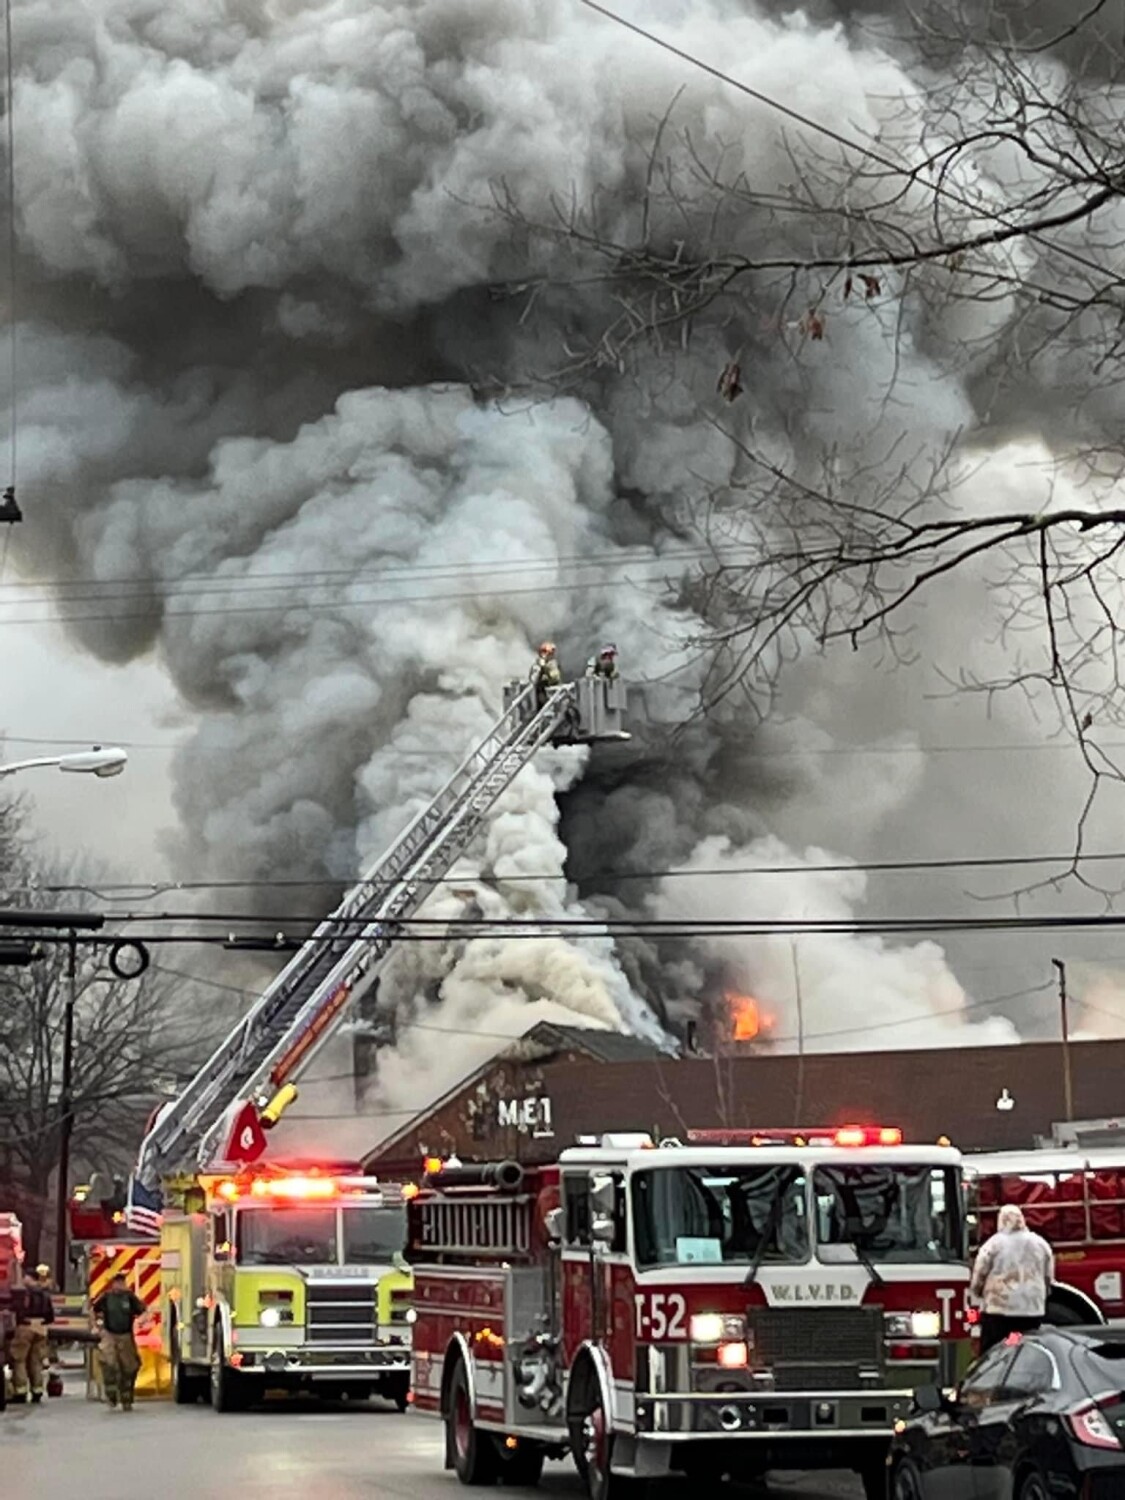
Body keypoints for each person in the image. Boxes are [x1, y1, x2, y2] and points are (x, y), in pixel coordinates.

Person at [970, 1204, 1054, 1352]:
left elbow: (980, 1272)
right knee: (1025, 1347)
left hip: (1000, 1309)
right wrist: (1043, 1295)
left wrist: (977, 1291)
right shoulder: (1041, 1244)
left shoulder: (994, 1244)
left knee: (995, 1349)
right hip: (1032, 1309)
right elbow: (1048, 1277)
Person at [92, 1272, 145, 1411]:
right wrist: (97, 1327)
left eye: (123, 1282)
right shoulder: (106, 1297)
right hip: (110, 1335)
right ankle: (111, 1396)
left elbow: (142, 1310)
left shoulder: (129, 1297)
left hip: (126, 1336)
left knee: (130, 1367)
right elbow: (93, 1309)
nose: (121, 1285)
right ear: (113, 1284)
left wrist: (143, 1320)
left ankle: (126, 1398)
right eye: (118, 1282)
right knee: (109, 1365)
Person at [9, 1268, 54, 1403]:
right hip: (41, 1328)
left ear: (30, 1278)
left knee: (19, 1359)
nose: (23, 1279)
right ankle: (37, 1391)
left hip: (25, 1327)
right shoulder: (45, 1294)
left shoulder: (24, 1294)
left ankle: (20, 1392)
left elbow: (17, 1311)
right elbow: (50, 1316)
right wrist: (41, 1322)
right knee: (36, 1360)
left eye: (25, 1277)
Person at [530, 641, 562, 706]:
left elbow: (555, 678)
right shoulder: (537, 666)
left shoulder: (552, 664)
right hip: (542, 694)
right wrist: (542, 667)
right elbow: (533, 679)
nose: (551, 656)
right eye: (549, 654)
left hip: (554, 693)